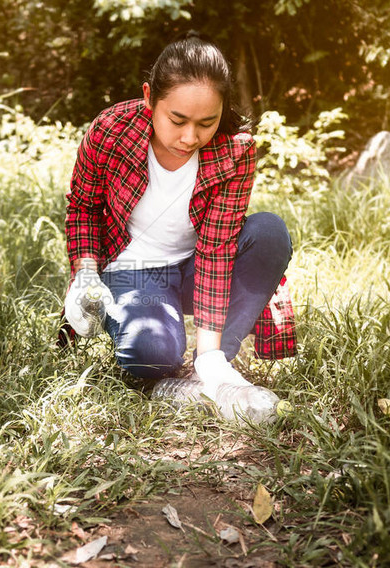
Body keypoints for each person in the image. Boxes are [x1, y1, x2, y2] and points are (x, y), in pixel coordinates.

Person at [62, 32, 297, 402]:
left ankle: (211, 366)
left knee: (269, 232)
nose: (190, 137)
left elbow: (217, 250)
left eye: (207, 122)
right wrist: (87, 272)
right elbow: (84, 207)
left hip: (195, 267)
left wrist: (209, 355)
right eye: (177, 119)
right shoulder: (110, 131)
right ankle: (163, 375)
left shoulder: (235, 150)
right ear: (148, 98)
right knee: (152, 352)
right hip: (134, 270)